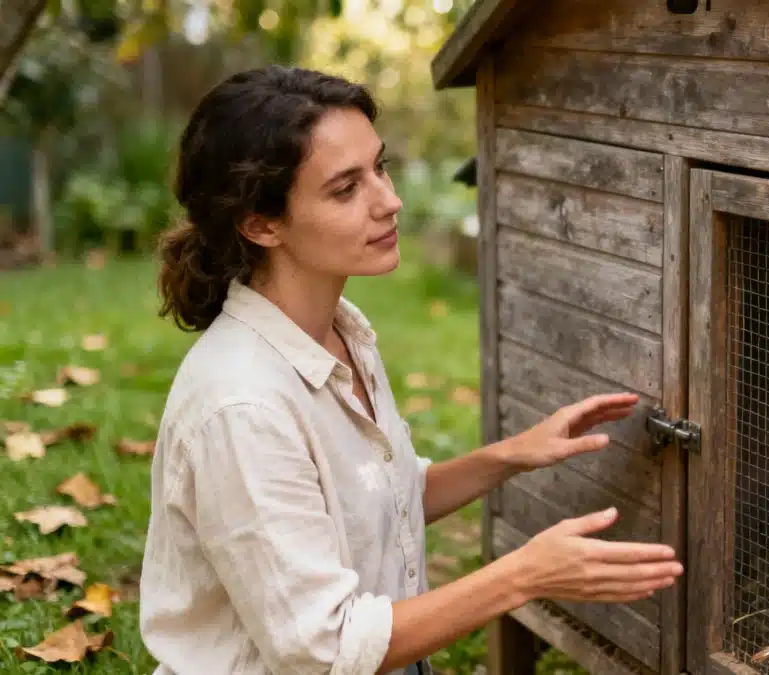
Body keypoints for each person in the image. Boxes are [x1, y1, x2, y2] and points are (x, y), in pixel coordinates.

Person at [138, 65, 683, 675]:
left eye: (380, 167)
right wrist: (525, 575)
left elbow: (379, 503)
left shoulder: (341, 330)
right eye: (346, 189)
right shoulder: (241, 406)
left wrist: (514, 455)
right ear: (260, 224)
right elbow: (327, 649)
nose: (389, 200)